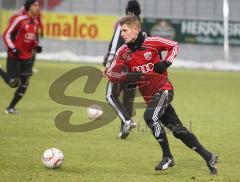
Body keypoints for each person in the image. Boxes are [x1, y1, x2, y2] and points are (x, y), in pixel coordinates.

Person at [107, 16, 218, 174]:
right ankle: (209, 156)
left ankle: (168, 156)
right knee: (178, 131)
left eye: (125, 30)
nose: (122, 34)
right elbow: (112, 73)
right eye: (121, 31)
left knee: (149, 117)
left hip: (164, 89)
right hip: (151, 98)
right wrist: (122, 75)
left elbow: (174, 45)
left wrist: (166, 62)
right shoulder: (123, 52)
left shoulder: (152, 42)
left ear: (136, 29)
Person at [103, 0, 145, 139]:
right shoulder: (141, 27)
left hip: (121, 66)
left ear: (127, 11)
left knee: (111, 95)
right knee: (128, 99)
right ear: (138, 11)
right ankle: (124, 129)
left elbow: (115, 46)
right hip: (137, 69)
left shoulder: (124, 25)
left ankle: (127, 121)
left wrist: (107, 64)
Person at [0, 0, 42, 114]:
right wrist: (13, 48)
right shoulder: (19, 19)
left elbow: (31, 39)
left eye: (38, 5)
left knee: (25, 83)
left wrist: (36, 46)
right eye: (35, 5)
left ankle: (10, 108)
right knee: (13, 83)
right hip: (15, 56)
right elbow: (6, 34)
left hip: (27, 58)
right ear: (29, 7)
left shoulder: (36, 23)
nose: (38, 7)